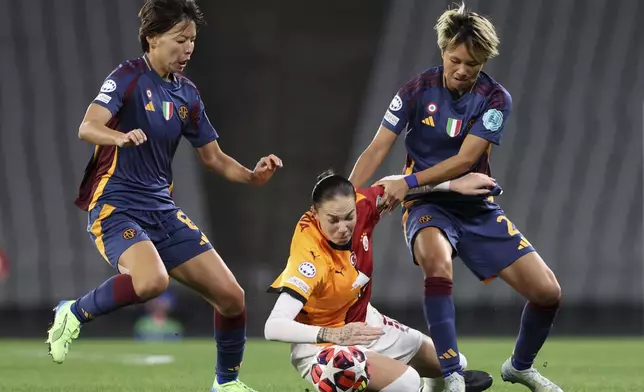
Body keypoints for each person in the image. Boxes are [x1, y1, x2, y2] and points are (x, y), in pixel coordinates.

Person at [45, 1, 281, 391]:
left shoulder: (186, 94)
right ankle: (73, 312)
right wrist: (118, 136)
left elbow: (214, 157)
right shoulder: (128, 77)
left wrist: (252, 176)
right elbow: (87, 126)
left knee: (232, 297)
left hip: (162, 210)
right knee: (152, 281)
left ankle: (226, 384)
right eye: (179, 39)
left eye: (192, 41)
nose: (188, 49)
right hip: (116, 206)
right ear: (152, 39)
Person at [347, 4, 562, 392]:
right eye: (456, 59)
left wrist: (407, 182)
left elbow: (465, 160)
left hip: (475, 206)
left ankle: (519, 366)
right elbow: (378, 147)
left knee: (548, 293)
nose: (462, 70)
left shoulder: (495, 99)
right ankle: (451, 374)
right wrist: (344, 198)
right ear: (443, 49)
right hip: (427, 205)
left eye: (474, 64)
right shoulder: (416, 90)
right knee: (437, 264)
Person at [265, 170, 498, 392]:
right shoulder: (310, 257)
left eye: (348, 218)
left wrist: (453, 185)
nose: (343, 228)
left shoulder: (362, 205)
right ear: (315, 214)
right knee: (407, 381)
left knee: (452, 363)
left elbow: (395, 184)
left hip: (364, 321)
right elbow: (273, 326)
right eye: (333, 220)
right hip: (324, 346)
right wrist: (332, 335)